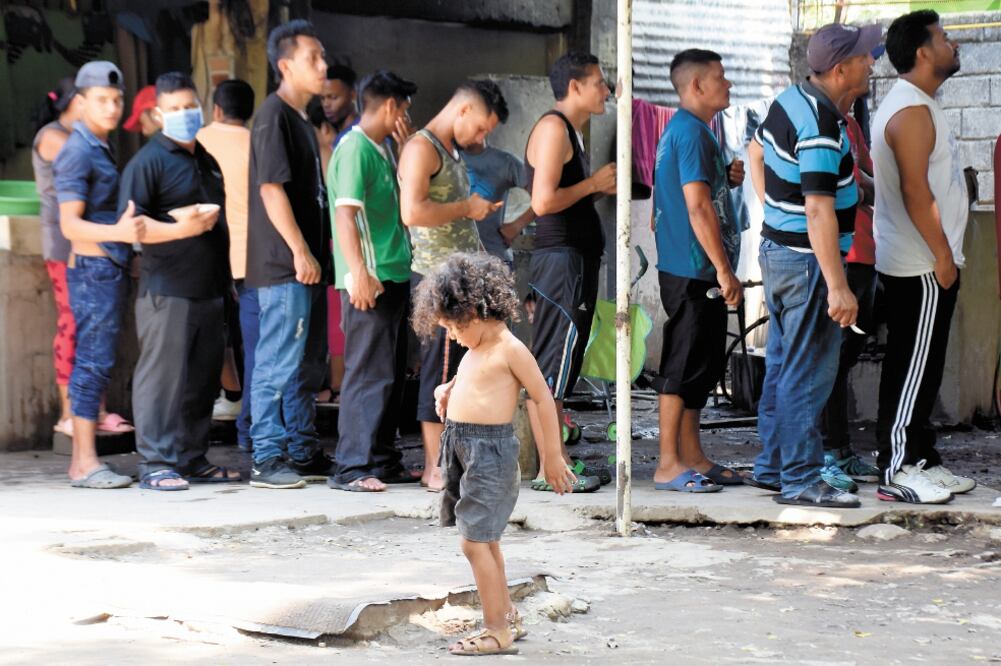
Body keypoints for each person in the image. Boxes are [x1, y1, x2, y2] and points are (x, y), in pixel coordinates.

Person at [411, 252, 575, 657]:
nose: (451, 335)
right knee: (486, 541)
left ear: (474, 311)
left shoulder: (509, 347)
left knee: (474, 543)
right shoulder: (476, 347)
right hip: (464, 448)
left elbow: (540, 396)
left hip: (491, 454)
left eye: (453, 326)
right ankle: (506, 615)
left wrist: (551, 456)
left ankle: (496, 629)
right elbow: (471, 378)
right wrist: (448, 389)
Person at [746, 23, 880, 508]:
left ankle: (774, 466)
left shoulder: (792, 100)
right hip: (808, 264)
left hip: (781, 253)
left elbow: (756, 150)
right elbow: (819, 208)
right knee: (808, 373)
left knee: (784, 367)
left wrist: (777, 211)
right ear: (842, 69)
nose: (872, 62)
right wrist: (838, 285)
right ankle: (801, 478)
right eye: (865, 57)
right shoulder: (822, 124)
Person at [871, 10, 976, 503]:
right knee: (912, 367)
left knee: (923, 366)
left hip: (927, 260)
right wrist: (942, 255)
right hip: (920, 263)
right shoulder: (910, 110)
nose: (952, 43)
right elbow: (916, 192)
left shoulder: (918, 105)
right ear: (922, 52)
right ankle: (897, 468)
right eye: (944, 37)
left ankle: (922, 459)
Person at [119, 72, 237, 490]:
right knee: (162, 379)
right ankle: (155, 462)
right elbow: (131, 227)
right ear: (158, 114)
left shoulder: (204, 157)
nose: (185, 115)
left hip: (209, 287)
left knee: (201, 379)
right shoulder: (147, 162)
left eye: (190, 106)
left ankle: (190, 456)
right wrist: (181, 228)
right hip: (166, 289)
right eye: (175, 109)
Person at [399, 79, 508, 491]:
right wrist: (468, 207)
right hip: (437, 282)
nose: (482, 138)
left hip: (460, 280)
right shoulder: (421, 148)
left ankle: (450, 461)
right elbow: (413, 211)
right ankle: (434, 467)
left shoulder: (451, 152)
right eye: (481, 128)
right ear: (463, 110)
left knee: (459, 374)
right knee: (439, 374)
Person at [650, 49, 746, 493]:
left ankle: (693, 456)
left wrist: (726, 175)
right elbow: (697, 205)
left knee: (700, 369)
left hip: (694, 268)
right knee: (682, 364)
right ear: (697, 86)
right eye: (720, 77)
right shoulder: (689, 132)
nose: (728, 84)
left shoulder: (694, 133)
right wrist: (725, 271)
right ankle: (668, 464)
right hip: (693, 269)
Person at [245, 20, 333, 489]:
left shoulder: (301, 119)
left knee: (306, 366)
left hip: (308, 267)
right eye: (312, 58)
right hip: (284, 266)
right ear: (285, 65)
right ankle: (267, 457)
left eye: (323, 57)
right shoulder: (273, 115)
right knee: (277, 362)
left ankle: (301, 449)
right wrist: (300, 251)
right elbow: (270, 190)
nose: (323, 67)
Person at [523, 51, 616, 493]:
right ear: (575, 86)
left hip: (572, 261)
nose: (607, 89)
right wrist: (594, 184)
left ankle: (555, 462)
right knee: (551, 368)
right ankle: (548, 469)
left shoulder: (571, 132)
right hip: (560, 262)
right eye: (599, 81)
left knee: (563, 365)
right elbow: (542, 202)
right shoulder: (553, 128)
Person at [53, 61, 147, 489]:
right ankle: (85, 464)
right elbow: (70, 225)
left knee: (97, 364)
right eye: (101, 100)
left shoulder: (100, 145)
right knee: (91, 365)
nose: (111, 108)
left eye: (116, 100)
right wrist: (120, 234)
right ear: (81, 102)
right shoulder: (77, 150)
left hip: (106, 268)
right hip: (92, 271)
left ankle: (83, 463)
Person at [327, 70, 417, 492]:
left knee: (391, 372)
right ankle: (351, 466)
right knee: (368, 373)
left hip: (393, 274)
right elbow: (346, 214)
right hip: (371, 279)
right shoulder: (354, 149)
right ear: (389, 107)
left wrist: (403, 149)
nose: (405, 115)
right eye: (403, 108)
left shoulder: (381, 149)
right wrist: (358, 272)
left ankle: (382, 457)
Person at [197, 79, 256, 441]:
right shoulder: (258, 143)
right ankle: (243, 406)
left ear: (216, 109)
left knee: (217, 334)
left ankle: (229, 397)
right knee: (250, 339)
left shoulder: (198, 140)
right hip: (253, 258)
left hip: (211, 255)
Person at [459, 139, 535, 265]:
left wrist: (517, 225)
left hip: (495, 260)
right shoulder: (445, 161)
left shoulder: (505, 162)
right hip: (454, 263)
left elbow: (544, 197)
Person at [321, 63, 358, 145]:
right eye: (322, 98)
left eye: (333, 97)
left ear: (353, 95)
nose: (326, 104)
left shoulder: (361, 134)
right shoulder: (328, 134)